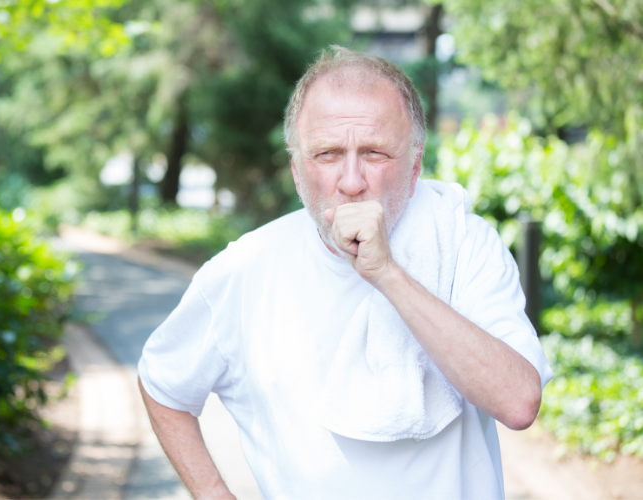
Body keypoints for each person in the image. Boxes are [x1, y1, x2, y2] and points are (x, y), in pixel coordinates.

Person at [137, 46, 553, 500]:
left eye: (375, 153)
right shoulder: (246, 268)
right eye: (328, 154)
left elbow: (518, 401)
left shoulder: (463, 243)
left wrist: (388, 274)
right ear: (297, 172)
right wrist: (215, 494)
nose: (351, 181)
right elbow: (163, 384)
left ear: (414, 168)